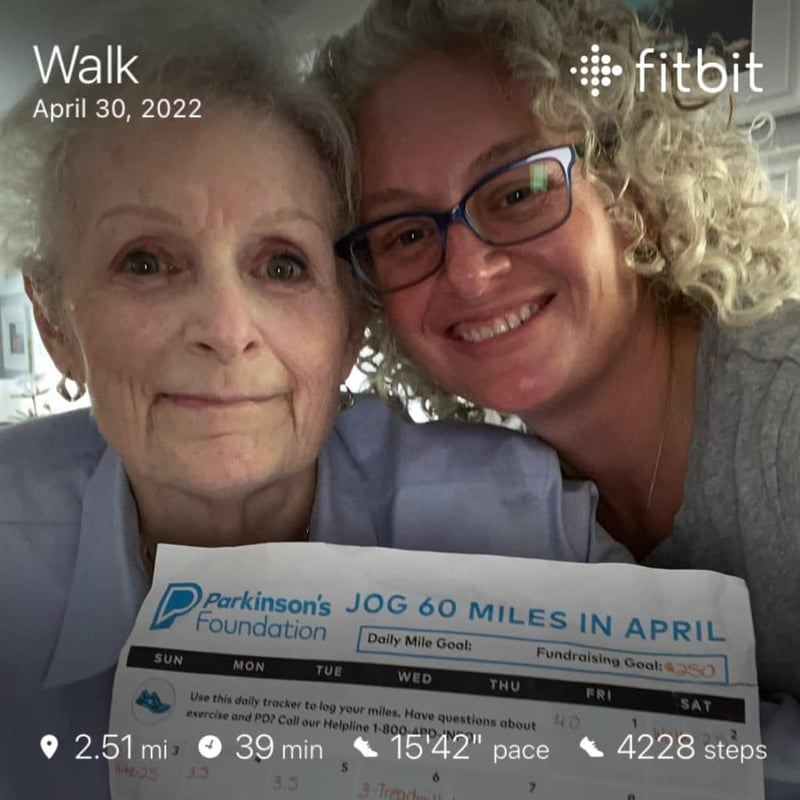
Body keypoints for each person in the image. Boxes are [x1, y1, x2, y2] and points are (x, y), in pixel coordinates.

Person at [0, 4, 632, 798]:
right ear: (58, 324)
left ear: (348, 325)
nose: (227, 332)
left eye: (284, 265)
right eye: (148, 261)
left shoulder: (518, 524)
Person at [317, 0, 800, 789]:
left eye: (518, 190)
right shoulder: (494, 495)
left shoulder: (787, 420)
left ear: (631, 186)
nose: (468, 272)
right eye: (405, 233)